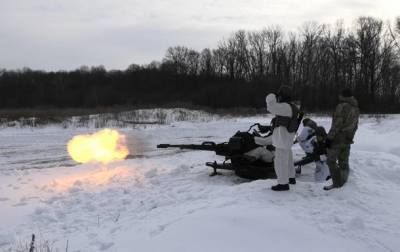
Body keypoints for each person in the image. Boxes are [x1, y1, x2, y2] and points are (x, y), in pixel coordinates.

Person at [324, 88, 359, 190]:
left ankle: (336, 183)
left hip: (338, 138)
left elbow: (337, 124)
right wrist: (350, 137)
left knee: (331, 161)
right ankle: (343, 183)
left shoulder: (342, 106)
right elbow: (356, 125)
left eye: (340, 95)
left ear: (343, 96)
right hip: (347, 138)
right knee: (343, 161)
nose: (338, 96)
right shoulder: (355, 108)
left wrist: (329, 138)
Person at [266, 85, 300, 191]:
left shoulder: (285, 107)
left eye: (279, 96)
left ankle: (283, 183)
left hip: (283, 138)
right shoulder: (292, 106)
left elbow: (270, 107)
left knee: (280, 160)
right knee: (288, 158)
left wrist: (272, 95)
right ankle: (291, 177)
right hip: (287, 137)